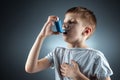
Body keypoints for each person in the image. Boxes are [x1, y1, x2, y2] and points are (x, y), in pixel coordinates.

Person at [25, 6, 113, 80]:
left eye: (71, 22)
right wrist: (41, 36)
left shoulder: (96, 57)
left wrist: (77, 76)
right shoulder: (57, 53)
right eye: (64, 22)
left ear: (86, 31)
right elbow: (31, 68)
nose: (64, 25)